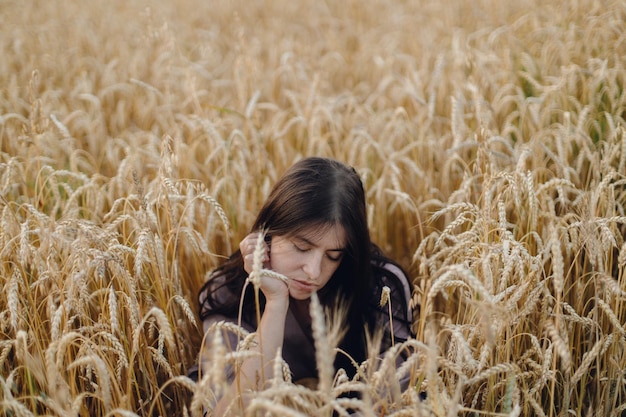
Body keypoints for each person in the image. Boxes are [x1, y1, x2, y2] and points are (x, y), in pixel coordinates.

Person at [197, 157, 414, 414]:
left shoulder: (381, 289)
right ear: (268, 233)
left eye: (333, 255)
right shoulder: (231, 293)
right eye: (301, 247)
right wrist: (276, 303)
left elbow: (393, 403)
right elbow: (230, 411)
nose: (313, 271)